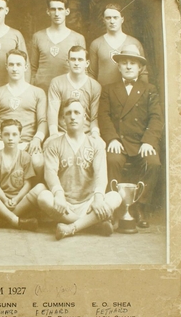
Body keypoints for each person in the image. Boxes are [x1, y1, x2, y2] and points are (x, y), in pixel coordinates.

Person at [38, 98, 122, 240]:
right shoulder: (54, 144)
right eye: (68, 113)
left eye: (77, 112)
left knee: (116, 196)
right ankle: (93, 224)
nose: (72, 116)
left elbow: (100, 175)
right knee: (43, 198)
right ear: (63, 118)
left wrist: (98, 198)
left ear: (84, 117)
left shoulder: (95, 144)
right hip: (65, 204)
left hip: (89, 203)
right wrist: (58, 195)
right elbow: (50, 173)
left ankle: (72, 227)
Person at [98, 46, 163, 228]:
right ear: (118, 67)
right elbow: (104, 116)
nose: (128, 66)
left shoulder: (150, 89)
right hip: (119, 141)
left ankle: (140, 207)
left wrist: (149, 141)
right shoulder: (109, 89)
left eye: (132, 63)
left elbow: (156, 118)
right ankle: (115, 207)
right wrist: (112, 139)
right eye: (124, 63)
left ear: (140, 68)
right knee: (112, 160)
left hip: (142, 142)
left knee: (153, 163)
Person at [0, 49, 47, 179]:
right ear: (6, 66)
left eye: (19, 64)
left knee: (38, 162)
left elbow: (42, 121)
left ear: (26, 67)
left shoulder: (38, 92)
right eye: (11, 64)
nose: (15, 68)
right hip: (1, 141)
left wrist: (37, 139)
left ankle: (34, 192)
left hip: (27, 142)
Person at [0, 119, 43, 231]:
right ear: (1, 136)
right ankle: (15, 219)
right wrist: (4, 199)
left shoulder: (25, 157)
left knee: (40, 188)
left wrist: (17, 199)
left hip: (19, 201)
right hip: (0, 201)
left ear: (20, 137)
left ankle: (2, 219)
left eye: (14, 134)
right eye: (6, 134)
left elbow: (28, 183)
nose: (10, 138)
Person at [31, 0, 86, 94]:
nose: (57, 13)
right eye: (53, 9)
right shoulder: (38, 36)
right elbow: (32, 68)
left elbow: (83, 69)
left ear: (67, 11)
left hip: (67, 90)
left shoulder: (78, 38)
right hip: (42, 90)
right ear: (48, 11)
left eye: (60, 9)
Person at [47, 46, 102, 137]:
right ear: (68, 62)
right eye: (73, 59)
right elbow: (53, 113)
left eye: (80, 60)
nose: (76, 63)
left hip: (86, 134)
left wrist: (95, 134)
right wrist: (53, 134)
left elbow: (94, 117)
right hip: (62, 134)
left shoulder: (95, 86)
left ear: (87, 63)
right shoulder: (56, 83)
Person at [89, 4, 148, 86]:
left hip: (128, 94)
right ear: (103, 20)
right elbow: (92, 74)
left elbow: (143, 73)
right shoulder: (96, 44)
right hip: (104, 95)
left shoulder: (134, 43)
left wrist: (142, 95)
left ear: (122, 19)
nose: (112, 21)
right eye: (108, 18)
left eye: (115, 17)